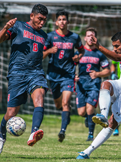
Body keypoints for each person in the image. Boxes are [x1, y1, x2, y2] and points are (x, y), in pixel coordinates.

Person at [76, 31, 121, 159]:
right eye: (113, 46)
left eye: (117, 46)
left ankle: (87, 151)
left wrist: (98, 45)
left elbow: (116, 58)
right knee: (106, 84)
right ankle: (102, 115)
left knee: (112, 122)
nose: (115, 49)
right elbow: (116, 57)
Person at [0, 4, 49, 155]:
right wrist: (5, 28)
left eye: (44, 20)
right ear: (31, 16)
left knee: (40, 98)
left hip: (36, 73)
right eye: (39, 19)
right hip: (17, 74)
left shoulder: (44, 36)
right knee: (11, 112)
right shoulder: (18, 26)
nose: (42, 22)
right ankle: (2, 135)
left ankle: (34, 133)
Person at [43, 10, 84, 142]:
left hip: (68, 74)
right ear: (56, 22)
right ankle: (66, 115)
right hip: (53, 75)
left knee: (66, 103)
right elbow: (41, 55)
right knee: (58, 105)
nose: (62, 22)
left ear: (68, 21)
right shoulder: (50, 37)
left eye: (64, 19)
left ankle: (62, 131)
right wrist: (49, 50)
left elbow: (82, 50)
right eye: (59, 19)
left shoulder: (74, 37)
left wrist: (78, 57)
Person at [75, 28, 110, 141]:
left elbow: (107, 70)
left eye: (92, 36)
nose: (90, 38)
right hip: (80, 84)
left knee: (90, 109)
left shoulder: (100, 53)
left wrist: (98, 73)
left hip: (94, 85)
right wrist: (73, 76)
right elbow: (70, 65)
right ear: (85, 38)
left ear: (95, 39)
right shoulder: (79, 52)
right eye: (88, 35)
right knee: (81, 112)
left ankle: (90, 134)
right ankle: (88, 119)